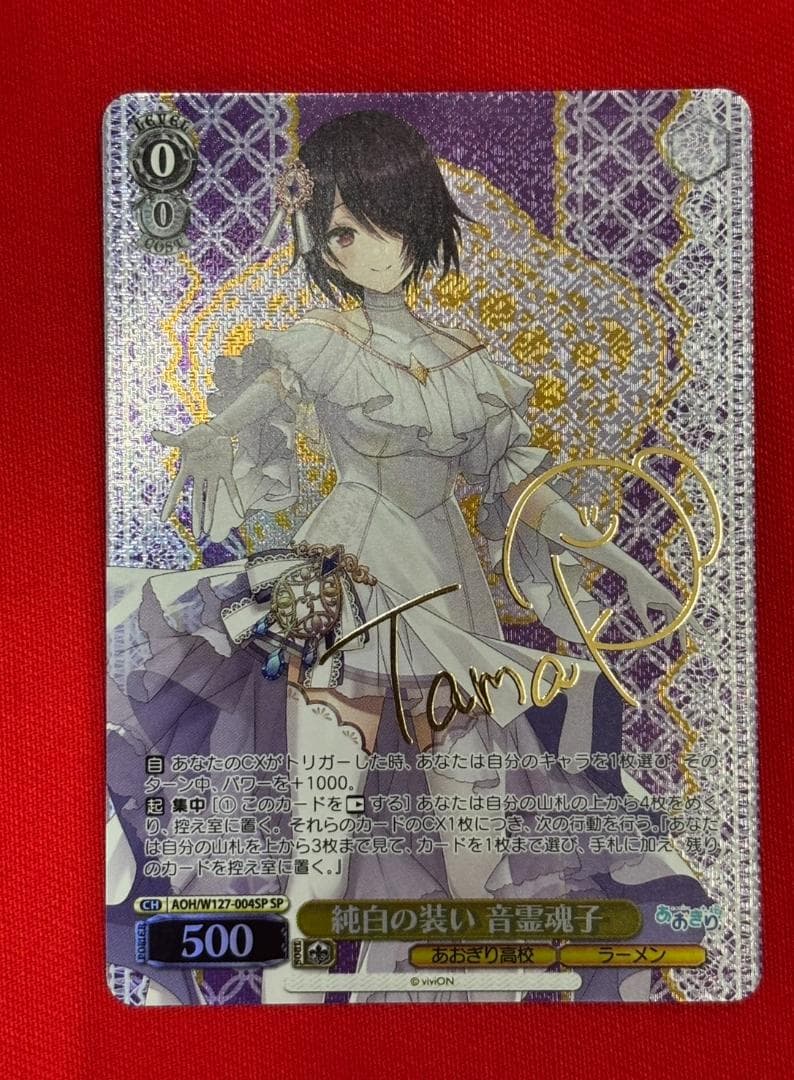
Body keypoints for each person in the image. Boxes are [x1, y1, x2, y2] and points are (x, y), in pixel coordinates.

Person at [108, 110, 708, 1004]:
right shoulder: (322, 339)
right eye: (337, 231)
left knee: (476, 850)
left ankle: (469, 1009)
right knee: (322, 840)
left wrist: (621, 563)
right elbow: (263, 394)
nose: (355, 247)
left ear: (416, 219)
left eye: (371, 223)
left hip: (447, 589)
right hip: (346, 573)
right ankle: (289, 1005)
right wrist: (214, 434)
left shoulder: (469, 363)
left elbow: (519, 485)